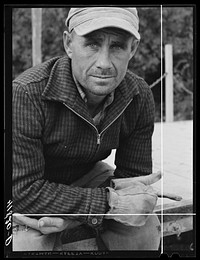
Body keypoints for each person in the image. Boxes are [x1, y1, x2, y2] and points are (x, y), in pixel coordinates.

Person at [12, 7, 181, 251]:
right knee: (24, 244)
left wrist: (134, 198)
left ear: (132, 49)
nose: (104, 63)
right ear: (68, 43)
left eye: (117, 46)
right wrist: (105, 203)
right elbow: (22, 191)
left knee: (142, 229)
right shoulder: (26, 93)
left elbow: (132, 179)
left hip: (87, 175)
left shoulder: (138, 95)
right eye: (92, 44)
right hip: (33, 182)